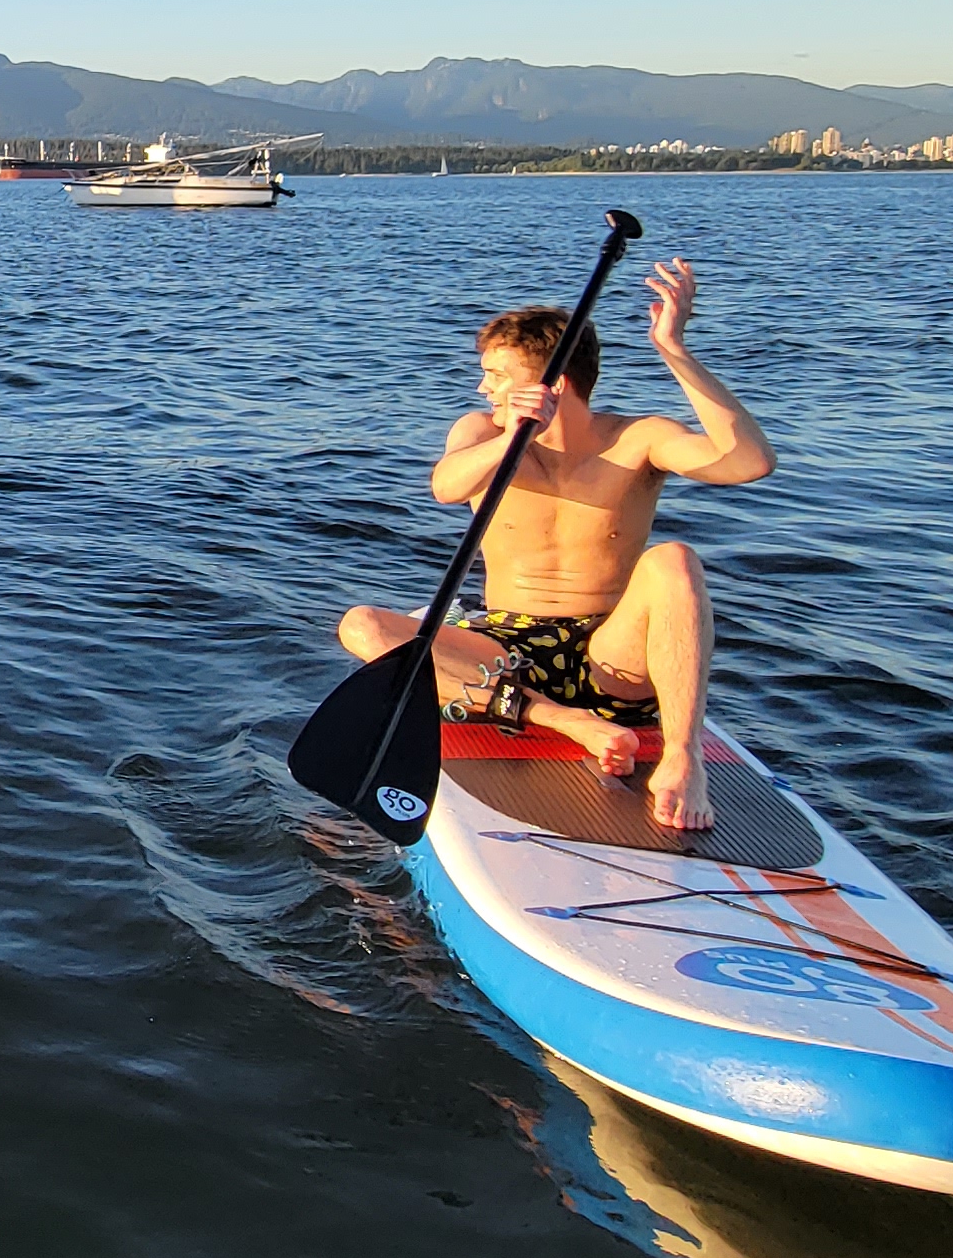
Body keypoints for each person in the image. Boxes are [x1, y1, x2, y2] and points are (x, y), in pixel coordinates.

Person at [331, 259, 774, 832]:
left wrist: (675, 352)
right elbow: (447, 487)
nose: (481, 386)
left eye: (495, 374)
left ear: (552, 385)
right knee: (361, 626)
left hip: (611, 657)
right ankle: (567, 722)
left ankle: (683, 759)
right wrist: (514, 437)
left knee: (674, 560)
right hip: (505, 655)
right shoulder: (482, 431)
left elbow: (750, 462)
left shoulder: (638, 439)